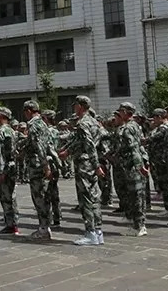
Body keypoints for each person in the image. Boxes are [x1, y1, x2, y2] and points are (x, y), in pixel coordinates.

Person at [59, 95, 104, 246]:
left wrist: (96, 165)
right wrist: (68, 151)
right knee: (94, 197)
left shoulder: (83, 123)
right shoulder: (94, 122)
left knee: (85, 198)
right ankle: (98, 232)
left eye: (75, 105)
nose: (74, 107)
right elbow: (84, 142)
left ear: (81, 106)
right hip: (90, 162)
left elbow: (89, 145)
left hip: (85, 164)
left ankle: (90, 232)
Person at [114, 102, 149, 236]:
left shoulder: (129, 128)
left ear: (127, 112)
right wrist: (145, 162)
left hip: (132, 166)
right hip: (134, 164)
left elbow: (134, 148)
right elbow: (141, 146)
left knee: (135, 195)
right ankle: (140, 223)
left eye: (121, 111)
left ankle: (139, 225)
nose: (120, 113)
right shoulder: (136, 126)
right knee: (138, 195)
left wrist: (140, 166)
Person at [23, 100, 56, 240]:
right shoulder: (42, 123)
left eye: (25, 111)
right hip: (41, 163)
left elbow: (40, 147)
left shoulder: (34, 125)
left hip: (37, 165)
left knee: (39, 197)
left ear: (29, 111)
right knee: (44, 196)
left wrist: (45, 166)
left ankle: (43, 228)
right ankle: (45, 226)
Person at [0, 107, 20, 235]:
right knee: (12, 195)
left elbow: (0, 152)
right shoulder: (12, 131)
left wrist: (1, 171)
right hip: (13, 166)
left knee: (5, 197)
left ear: (2, 116)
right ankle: (14, 223)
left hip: (4, 167)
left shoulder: (1, 131)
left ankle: (10, 225)